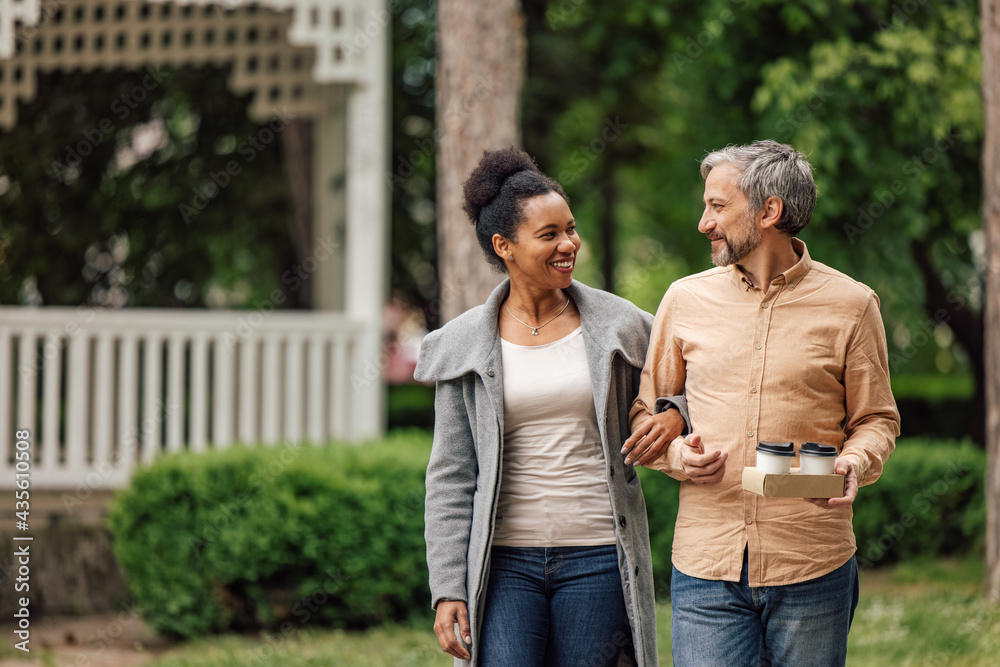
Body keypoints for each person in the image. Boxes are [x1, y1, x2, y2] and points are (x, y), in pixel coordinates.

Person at [629, 140, 900, 666]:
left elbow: (876, 419)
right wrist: (678, 455)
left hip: (812, 563)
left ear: (769, 211)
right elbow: (646, 412)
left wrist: (853, 461)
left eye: (717, 206)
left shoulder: (852, 304)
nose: (704, 222)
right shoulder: (684, 301)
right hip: (707, 568)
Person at [414, 146, 686, 666]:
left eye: (571, 229)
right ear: (504, 246)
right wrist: (448, 586)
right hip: (502, 567)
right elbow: (451, 474)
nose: (569, 244)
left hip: (600, 556)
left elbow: (695, 376)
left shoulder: (620, 325)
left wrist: (673, 412)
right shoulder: (463, 344)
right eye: (549, 235)